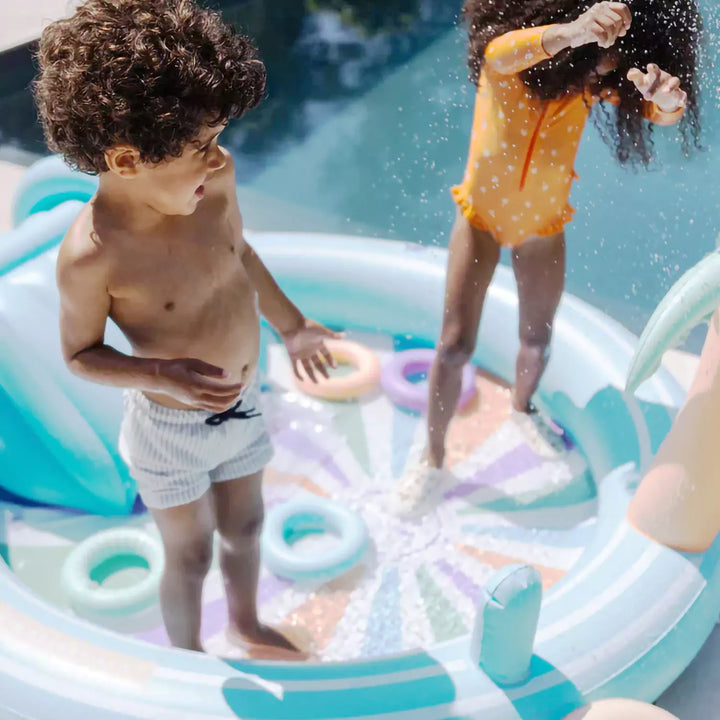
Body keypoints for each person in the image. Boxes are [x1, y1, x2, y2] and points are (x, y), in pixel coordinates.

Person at [36, 0, 339, 657]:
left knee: (248, 524)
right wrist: (157, 372)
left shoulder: (218, 180)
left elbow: (241, 257)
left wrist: (294, 327)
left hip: (244, 404)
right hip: (168, 433)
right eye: (200, 146)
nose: (218, 156)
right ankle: (186, 656)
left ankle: (247, 623)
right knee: (191, 553)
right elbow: (80, 354)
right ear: (125, 160)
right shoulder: (95, 254)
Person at [394, 0, 701, 516]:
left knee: (536, 341)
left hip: (543, 229)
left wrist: (667, 101)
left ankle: (522, 408)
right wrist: (578, 30)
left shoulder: (589, 84)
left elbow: (659, 113)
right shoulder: (507, 63)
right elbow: (503, 51)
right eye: (600, 51)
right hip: (480, 224)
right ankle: (431, 456)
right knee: (452, 347)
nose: (609, 62)